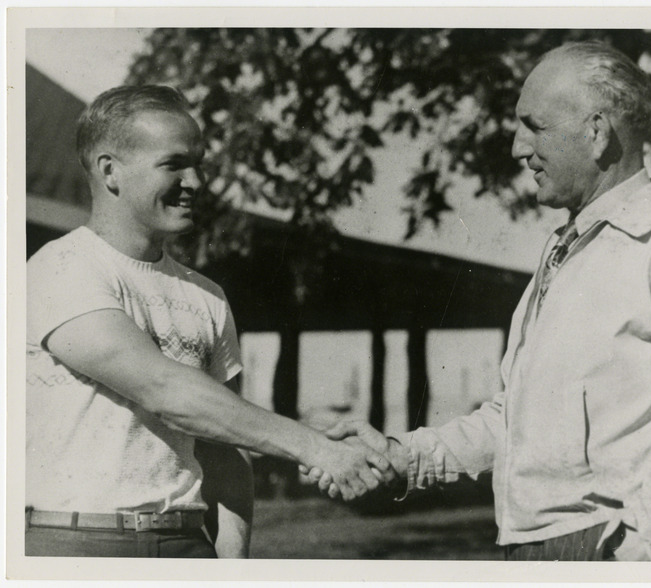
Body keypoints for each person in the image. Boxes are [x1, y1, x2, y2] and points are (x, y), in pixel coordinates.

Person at [306, 41, 651, 561]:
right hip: (528, 550)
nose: (516, 148)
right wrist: (401, 456)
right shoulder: (563, 253)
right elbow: (516, 422)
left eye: (535, 126)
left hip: (612, 548)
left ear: (596, 133)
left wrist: (637, 552)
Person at [25, 85, 396, 559]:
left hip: (187, 543)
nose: (197, 181)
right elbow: (166, 390)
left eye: (199, 163)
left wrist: (231, 565)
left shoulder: (207, 297)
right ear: (109, 170)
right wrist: (316, 448)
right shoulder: (60, 268)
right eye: (174, 164)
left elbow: (225, 447)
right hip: (78, 547)